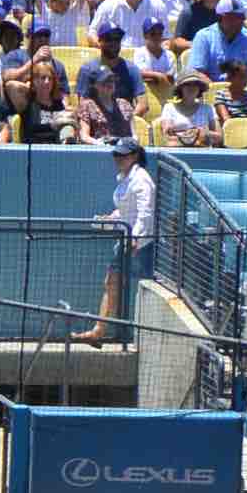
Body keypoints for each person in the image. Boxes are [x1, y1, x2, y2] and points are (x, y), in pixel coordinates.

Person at [72, 138, 155, 346]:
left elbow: (145, 213)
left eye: (123, 155)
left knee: (144, 285)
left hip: (139, 244)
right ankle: (99, 331)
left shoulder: (141, 179)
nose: (118, 158)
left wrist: (136, 238)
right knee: (113, 282)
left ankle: (103, 332)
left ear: (135, 156)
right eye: (116, 154)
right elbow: (127, 210)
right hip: (127, 239)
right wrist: (111, 218)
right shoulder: (126, 178)